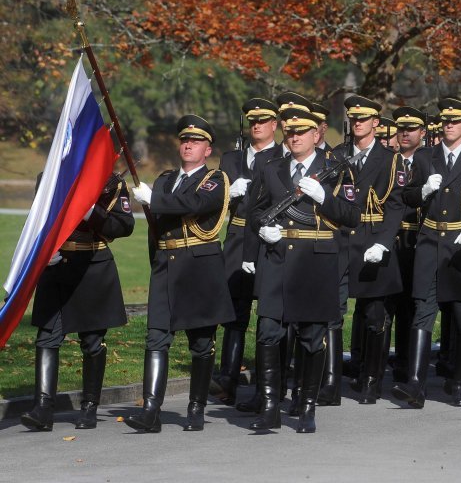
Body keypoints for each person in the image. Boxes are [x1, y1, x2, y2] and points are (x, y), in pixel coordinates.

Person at [246, 105, 360, 433]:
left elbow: (352, 217)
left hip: (316, 258)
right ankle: (270, 407)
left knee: (312, 337)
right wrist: (261, 230)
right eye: (290, 132)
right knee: (269, 332)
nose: (295, 137)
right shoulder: (271, 168)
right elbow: (255, 211)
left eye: (302, 132)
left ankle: (307, 405)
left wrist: (325, 197)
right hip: (277, 258)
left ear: (316, 134)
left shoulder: (336, 169)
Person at [126, 115, 235, 432]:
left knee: (201, 342)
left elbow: (195, 203)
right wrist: (155, 261)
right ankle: (151, 411)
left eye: (197, 141)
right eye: (185, 140)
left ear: (207, 149)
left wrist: (155, 199)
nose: (189, 145)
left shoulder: (215, 180)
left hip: (198, 266)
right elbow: (156, 231)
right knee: (156, 338)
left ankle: (197, 407)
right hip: (165, 264)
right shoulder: (164, 179)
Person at [392, 97, 461, 408]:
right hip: (430, 242)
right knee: (422, 313)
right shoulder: (425, 158)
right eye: (445, 121)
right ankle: (415, 384)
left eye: (455, 121)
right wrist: (423, 190)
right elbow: (408, 195)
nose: (449, 125)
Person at [20, 172, 135, 431]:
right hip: (57, 265)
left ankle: (89, 406)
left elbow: (123, 226)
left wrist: (91, 212)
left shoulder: (111, 182)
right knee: (47, 337)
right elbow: (39, 220)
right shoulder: (49, 175)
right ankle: (42, 408)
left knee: (92, 341)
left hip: (92, 265)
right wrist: (43, 250)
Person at [328, 95, 405, 406]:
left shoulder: (390, 159)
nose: (357, 122)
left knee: (375, 315)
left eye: (364, 118)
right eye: (353, 118)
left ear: (376, 123)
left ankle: (371, 379)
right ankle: (330, 381)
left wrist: (384, 242)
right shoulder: (336, 155)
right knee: (332, 312)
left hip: (373, 238)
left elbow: (396, 206)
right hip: (341, 239)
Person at [212, 98, 282, 406]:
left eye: (264, 121)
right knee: (235, 312)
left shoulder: (284, 156)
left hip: (269, 236)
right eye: (253, 121)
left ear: (274, 125)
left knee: (269, 311)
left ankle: (267, 383)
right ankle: (228, 377)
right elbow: (213, 203)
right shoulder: (231, 159)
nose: (257, 125)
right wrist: (226, 192)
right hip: (239, 235)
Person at [386, 106, 428, 383]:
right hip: (391, 238)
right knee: (389, 303)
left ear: (422, 133)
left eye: (411, 129)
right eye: (401, 128)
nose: (405, 133)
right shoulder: (389, 161)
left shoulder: (429, 161)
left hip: (419, 238)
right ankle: (383, 361)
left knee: (414, 305)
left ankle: (408, 362)